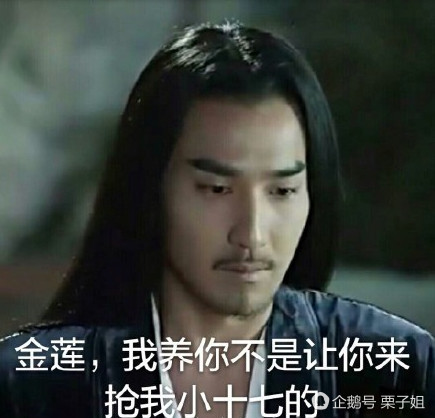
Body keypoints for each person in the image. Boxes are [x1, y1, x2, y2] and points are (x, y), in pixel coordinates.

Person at [0, 22, 433, 418]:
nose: (252, 233)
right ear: (150, 187)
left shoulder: (393, 373)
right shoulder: (36, 387)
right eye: (216, 189)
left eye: (282, 191)